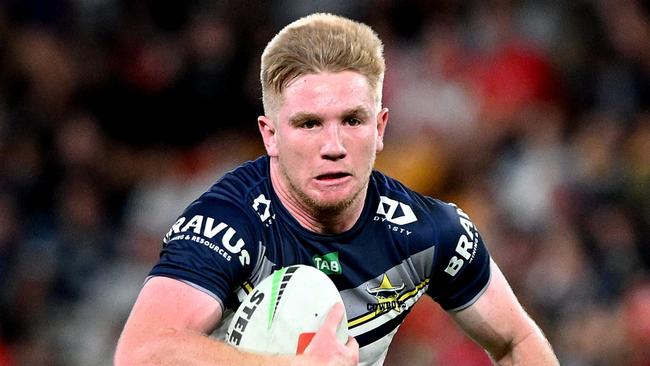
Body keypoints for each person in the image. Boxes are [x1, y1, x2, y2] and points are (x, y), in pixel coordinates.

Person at [114, 13, 559, 366]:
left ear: (380, 127)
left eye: (352, 120)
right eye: (309, 124)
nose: (333, 147)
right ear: (270, 136)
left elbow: (515, 339)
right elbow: (140, 353)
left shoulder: (429, 232)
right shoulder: (228, 225)